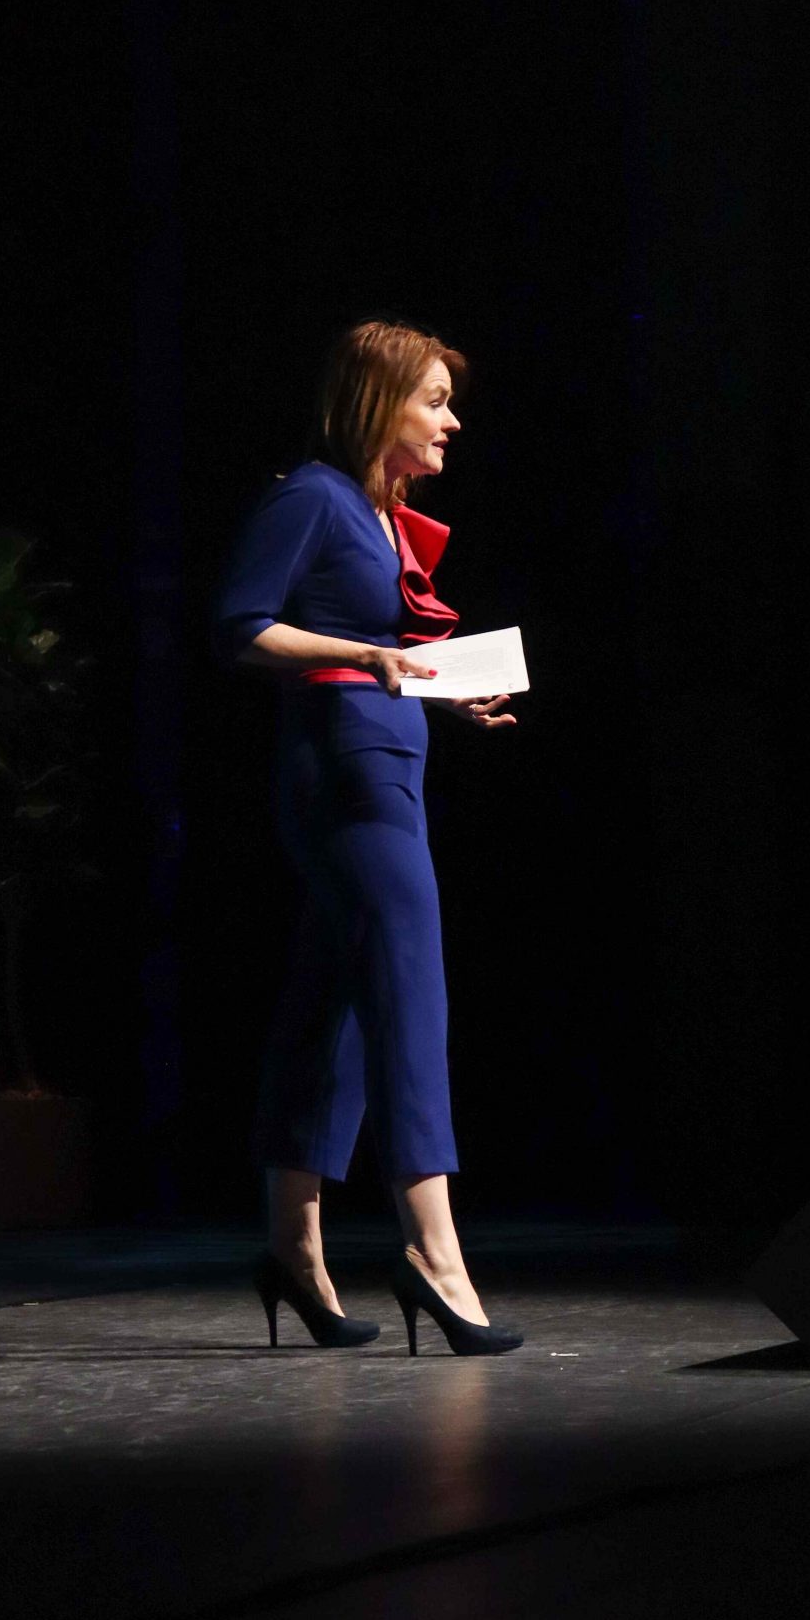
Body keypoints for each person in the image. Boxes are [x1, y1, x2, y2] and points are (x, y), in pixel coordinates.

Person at [212, 318, 524, 1356]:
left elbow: (381, 657)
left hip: (389, 765)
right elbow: (241, 626)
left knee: (332, 1004)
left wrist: (441, 688)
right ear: (377, 403)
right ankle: (434, 1252)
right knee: (407, 990)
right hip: (343, 776)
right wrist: (366, 653)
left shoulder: (379, 513)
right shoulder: (312, 496)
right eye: (433, 399)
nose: (451, 419)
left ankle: (291, 1249)